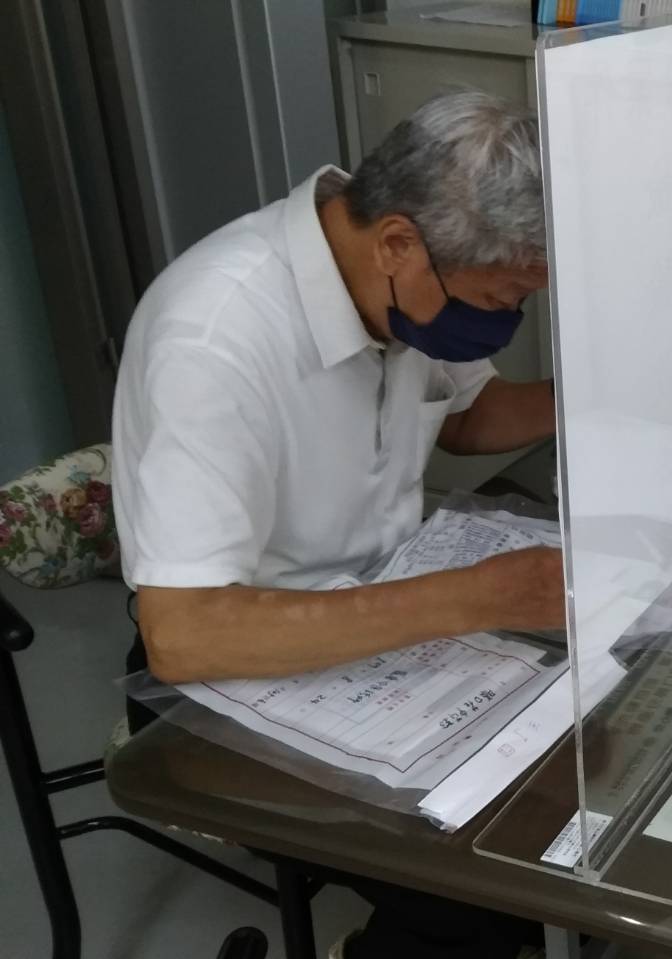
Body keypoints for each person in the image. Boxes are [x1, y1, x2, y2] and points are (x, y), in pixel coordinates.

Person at [113, 91, 562, 959]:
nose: (501, 324)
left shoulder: (397, 281)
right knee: (487, 885)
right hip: (229, 672)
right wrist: (475, 597)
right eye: (497, 298)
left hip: (383, 615)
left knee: (564, 783)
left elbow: (469, 416)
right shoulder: (215, 337)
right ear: (397, 243)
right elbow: (183, 633)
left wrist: (608, 394)